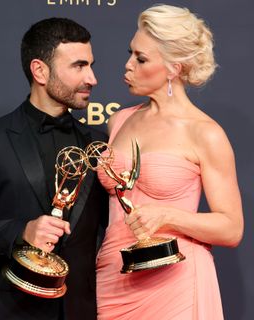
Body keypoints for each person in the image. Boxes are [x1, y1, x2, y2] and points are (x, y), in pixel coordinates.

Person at [0, 17, 108, 320]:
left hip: (81, 310)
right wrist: (22, 231)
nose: (92, 78)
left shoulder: (98, 144)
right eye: (78, 66)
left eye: (91, 65)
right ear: (40, 71)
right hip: (10, 310)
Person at [96, 4, 243, 320]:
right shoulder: (119, 121)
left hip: (174, 281)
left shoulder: (205, 133)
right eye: (131, 53)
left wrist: (167, 215)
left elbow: (231, 229)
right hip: (113, 278)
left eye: (141, 59)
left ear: (174, 68)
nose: (127, 65)